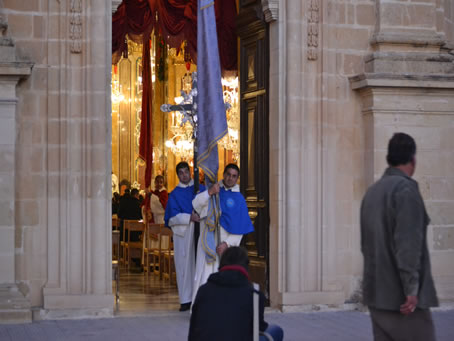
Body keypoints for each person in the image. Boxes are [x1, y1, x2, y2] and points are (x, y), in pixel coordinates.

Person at [360, 132, 438, 341]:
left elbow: (366, 246)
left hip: (377, 297)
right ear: (413, 159)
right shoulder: (405, 190)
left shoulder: (372, 192)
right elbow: (408, 244)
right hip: (402, 300)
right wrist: (411, 290)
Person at [188, 246, 283, 341]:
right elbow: (259, 328)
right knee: (276, 330)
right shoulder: (255, 295)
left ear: (221, 265)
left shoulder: (204, 291)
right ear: (246, 266)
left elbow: (193, 331)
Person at [192, 163, 254, 303]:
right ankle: (200, 308)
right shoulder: (214, 191)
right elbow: (196, 204)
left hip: (224, 244)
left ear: (237, 178)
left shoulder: (239, 199)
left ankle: (219, 309)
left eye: (234, 176)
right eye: (228, 174)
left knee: (223, 277)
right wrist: (210, 193)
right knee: (204, 275)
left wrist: (227, 243)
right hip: (208, 238)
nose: (230, 178)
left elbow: (241, 227)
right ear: (223, 174)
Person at [164, 162, 205, 311]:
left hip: (201, 231)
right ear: (177, 175)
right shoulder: (174, 194)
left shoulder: (201, 189)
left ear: (190, 172)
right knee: (184, 267)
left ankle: (200, 298)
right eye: (180, 173)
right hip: (185, 235)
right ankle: (186, 299)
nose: (184, 175)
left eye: (186, 172)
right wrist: (189, 218)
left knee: (201, 265)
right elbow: (171, 218)